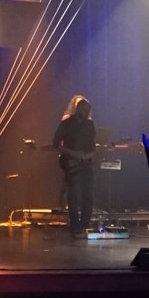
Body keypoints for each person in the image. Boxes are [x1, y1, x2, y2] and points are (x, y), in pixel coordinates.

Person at [52, 95, 97, 237]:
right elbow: (55, 144)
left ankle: (85, 224)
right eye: (84, 109)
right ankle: (75, 226)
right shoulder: (67, 123)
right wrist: (72, 154)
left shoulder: (89, 125)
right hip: (71, 163)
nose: (86, 112)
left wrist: (85, 156)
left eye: (88, 110)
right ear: (77, 109)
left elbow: (92, 147)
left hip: (86, 163)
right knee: (74, 195)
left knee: (88, 195)